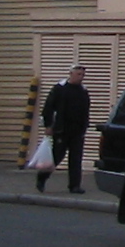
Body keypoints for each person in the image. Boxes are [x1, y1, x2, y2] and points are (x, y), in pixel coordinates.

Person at [37, 65, 91, 194]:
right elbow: (48, 108)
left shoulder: (83, 91)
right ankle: (42, 177)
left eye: (82, 75)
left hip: (77, 130)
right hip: (62, 129)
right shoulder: (60, 89)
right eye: (78, 74)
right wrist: (48, 125)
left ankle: (74, 186)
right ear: (71, 74)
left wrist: (85, 126)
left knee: (76, 159)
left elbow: (85, 110)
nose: (81, 77)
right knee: (57, 156)